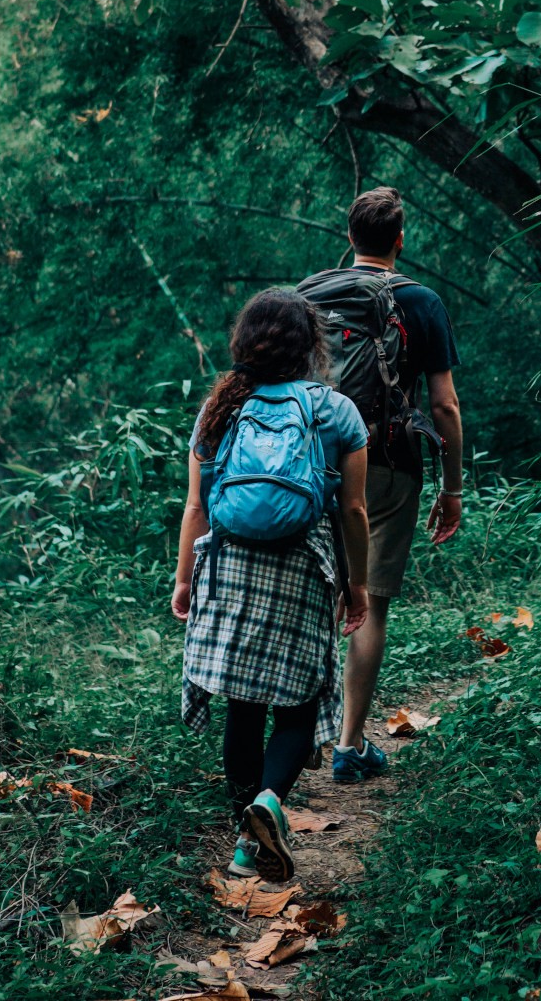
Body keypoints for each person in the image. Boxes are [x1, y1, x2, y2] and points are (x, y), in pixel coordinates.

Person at [170, 288, 369, 882]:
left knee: (244, 705)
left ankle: (243, 843)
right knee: (297, 705)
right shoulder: (334, 411)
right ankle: (268, 804)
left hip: (230, 564)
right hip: (303, 567)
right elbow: (353, 511)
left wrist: (184, 579)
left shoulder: (219, 408)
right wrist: (355, 586)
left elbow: (196, 507)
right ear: (310, 346)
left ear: (243, 341)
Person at [303, 186, 464, 784]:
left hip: (313, 467)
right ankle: (348, 747)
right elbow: (444, 407)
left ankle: (299, 738)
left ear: (349, 236)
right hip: (390, 465)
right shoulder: (422, 302)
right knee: (369, 605)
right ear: (400, 239)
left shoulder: (308, 296)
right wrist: (453, 489)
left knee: (312, 599)